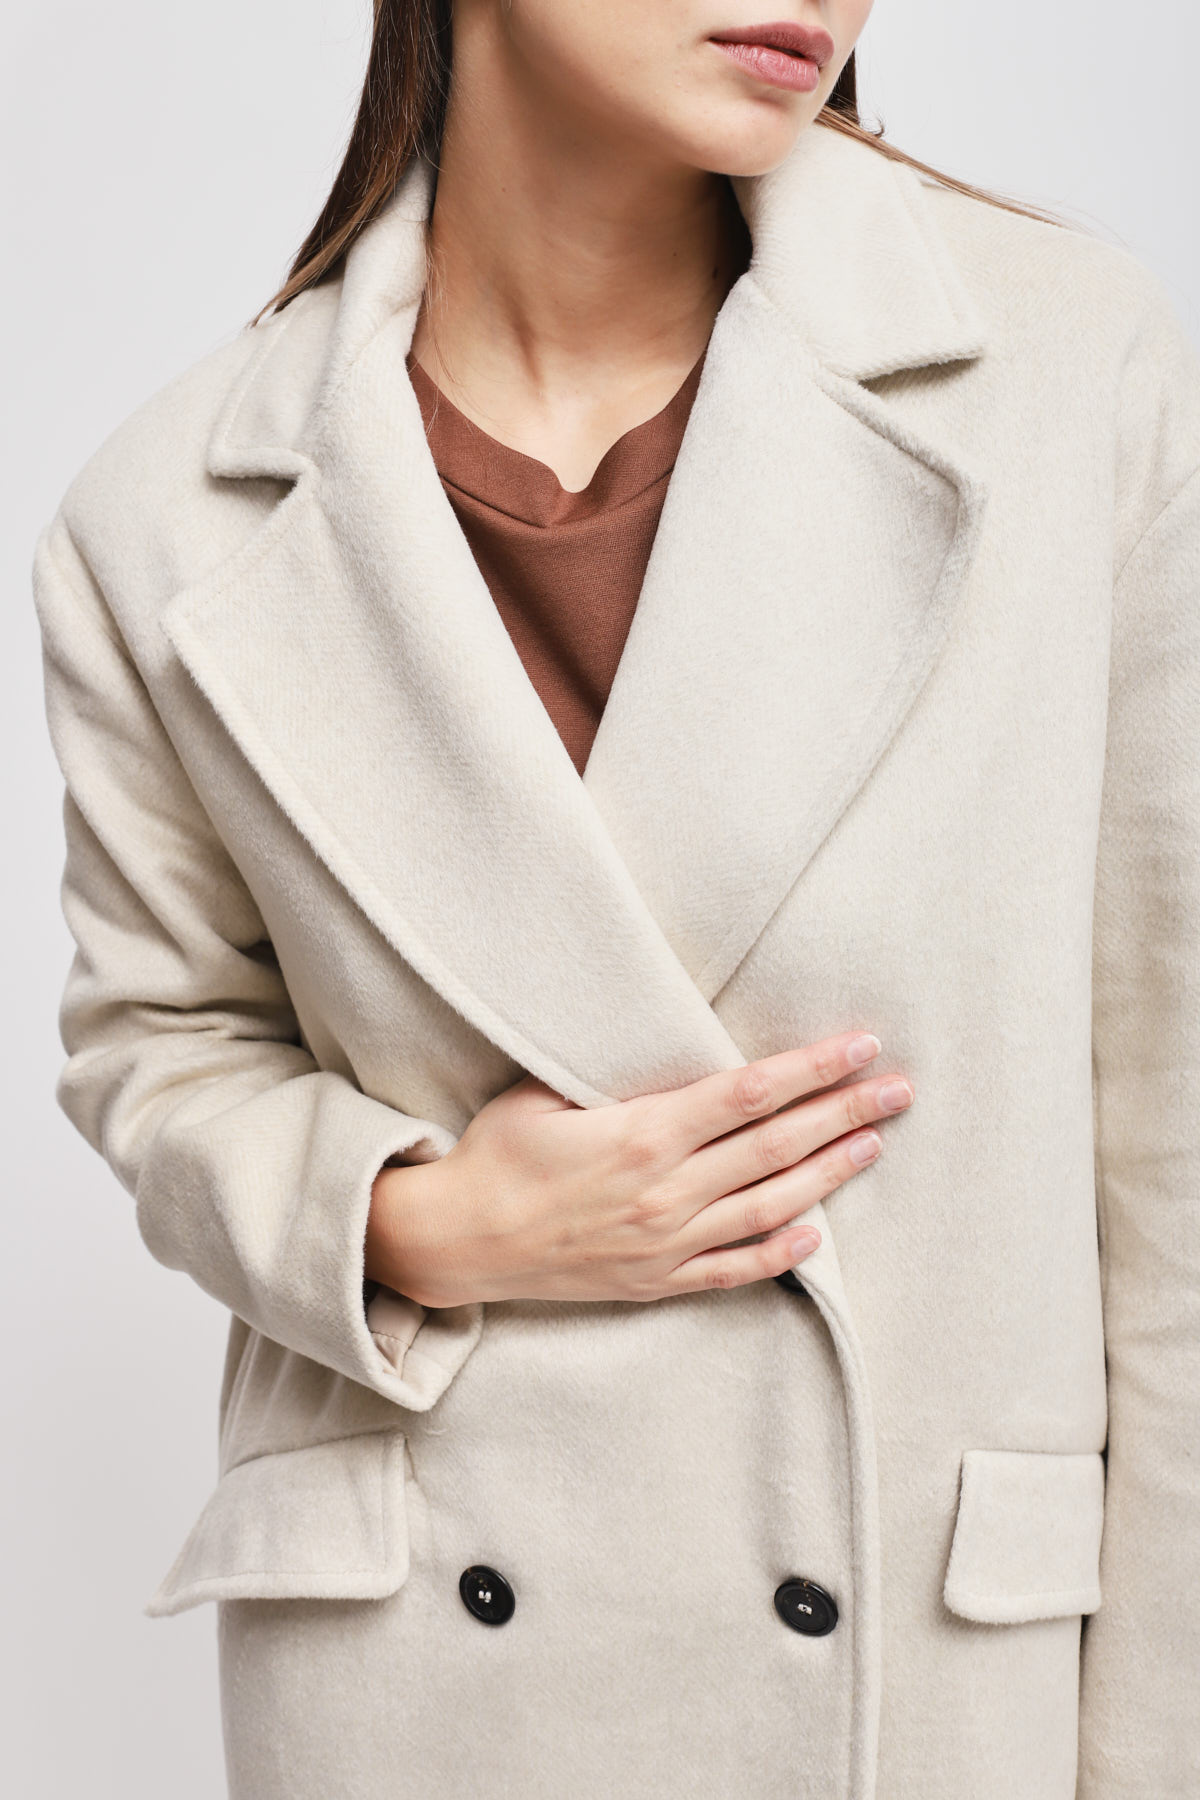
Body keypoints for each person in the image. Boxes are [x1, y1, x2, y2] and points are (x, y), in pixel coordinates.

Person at [31, 3, 1200, 1796]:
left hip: (927, 1680)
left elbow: (1175, 1140)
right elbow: (157, 1046)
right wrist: (416, 1225)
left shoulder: (1068, 374)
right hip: (423, 1691)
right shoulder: (163, 519)